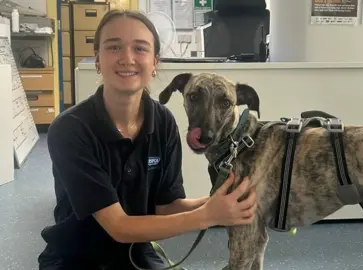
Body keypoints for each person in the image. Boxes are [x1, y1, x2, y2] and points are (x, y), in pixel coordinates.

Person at [37, 9, 257, 270]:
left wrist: (222, 200)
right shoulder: (70, 129)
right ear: (97, 59)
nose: (127, 58)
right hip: (75, 260)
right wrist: (208, 215)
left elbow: (166, 206)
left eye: (140, 49)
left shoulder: (163, 122)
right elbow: (118, 226)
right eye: (114, 47)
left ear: (154, 62)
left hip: (137, 255)